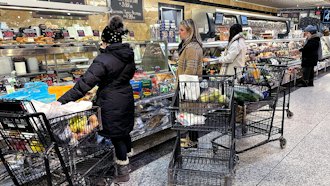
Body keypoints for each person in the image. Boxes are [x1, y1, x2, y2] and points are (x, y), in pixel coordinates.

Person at [58, 15, 135, 183]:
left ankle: (123, 172)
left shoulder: (103, 59)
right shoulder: (129, 55)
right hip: (126, 97)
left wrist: (61, 101)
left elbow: (84, 85)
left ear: (105, 41)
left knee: (116, 136)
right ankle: (127, 163)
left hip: (111, 101)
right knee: (123, 131)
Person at [176, 19, 203, 148]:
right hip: (190, 85)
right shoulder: (191, 45)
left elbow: (190, 70)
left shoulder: (191, 47)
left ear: (189, 31)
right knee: (191, 113)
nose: (179, 33)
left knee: (190, 113)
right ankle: (191, 139)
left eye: (181, 30)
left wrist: (183, 86)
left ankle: (192, 141)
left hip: (188, 85)